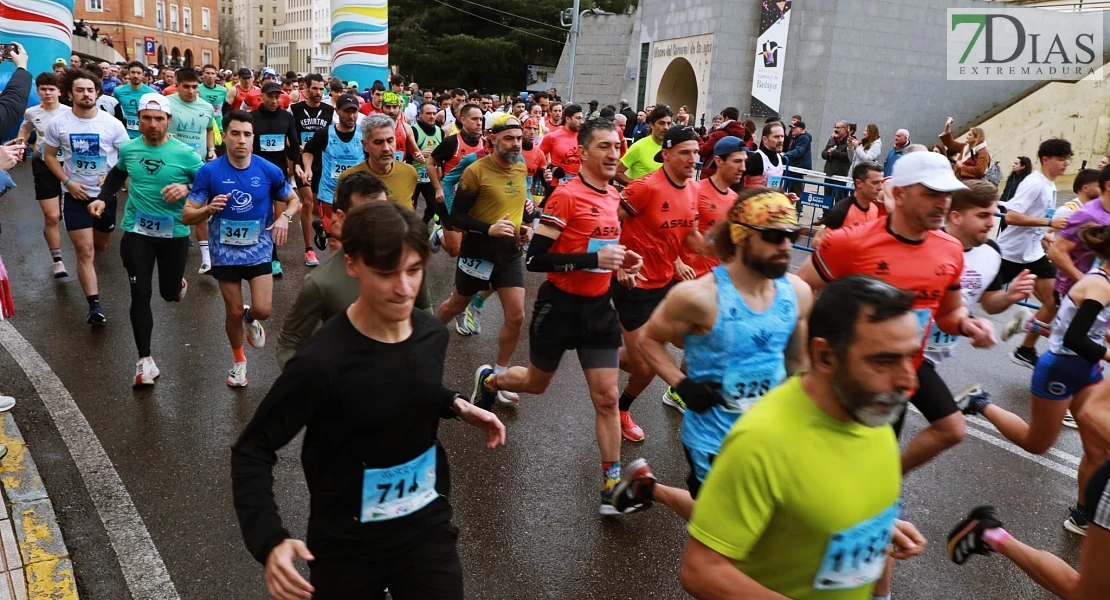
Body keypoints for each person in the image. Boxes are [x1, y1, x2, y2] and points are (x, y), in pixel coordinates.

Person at [231, 201, 506, 600]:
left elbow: (401, 382)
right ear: (352, 265)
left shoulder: (431, 334)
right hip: (347, 543)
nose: (405, 289)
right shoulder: (321, 362)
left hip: (425, 526)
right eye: (386, 274)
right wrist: (270, 540)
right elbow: (252, 450)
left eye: (413, 270)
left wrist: (453, 403)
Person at [680, 276, 927, 600]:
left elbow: (822, 500)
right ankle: (651, 488)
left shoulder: (870, 411)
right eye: (884, 360)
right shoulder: (762, 441)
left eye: (910, 357)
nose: (909, 382)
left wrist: (876, 528)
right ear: (825, 356)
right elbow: (701, 571)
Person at [470, 118, 651, 515]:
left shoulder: (613, 196)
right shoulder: (565, 197)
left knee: (607, 398)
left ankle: (611, 486)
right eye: (604, 146)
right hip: (559, 306)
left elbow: (603, 248)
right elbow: (536, 260)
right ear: (582, 152)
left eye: (617, 146)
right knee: (536, 383)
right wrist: (593, 259)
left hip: (599, 308)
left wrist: (622, 264)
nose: (614, 154)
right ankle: (492, 379)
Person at [613, 188, 813, 519]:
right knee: (722, 520)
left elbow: (798, 363)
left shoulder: (798, 293)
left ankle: (646, 488)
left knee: (754, 518)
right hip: (712, 438)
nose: (786, 246)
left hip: (767, 434)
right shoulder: (698, 297)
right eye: (775, 236)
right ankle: (648, 489)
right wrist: (682, 384)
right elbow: (649, 340)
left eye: (792, 236)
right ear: (741, 237)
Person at [798, 151, 997, 474]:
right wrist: (807, 356)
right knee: (822, 470)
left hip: (901, 378)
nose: (943, 203)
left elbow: (949, 314)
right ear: (900, 194)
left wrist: (969, 325)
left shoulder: (949, 250)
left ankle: (881, 489)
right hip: (846, 380)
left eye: (947, 194)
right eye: (931, 194)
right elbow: (799, 290)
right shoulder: (850, 243)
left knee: (872, 468)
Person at [961, 220, 1110, 537]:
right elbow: (1074, 338)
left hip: (1087, 370)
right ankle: (979, 402)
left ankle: (1083, 514)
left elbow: (1095, 330)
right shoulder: (1100, 286)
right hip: (1060, 368)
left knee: (1098, 450)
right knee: (1036, 443)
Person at [90, 93, 201, 386]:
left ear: (168, 121)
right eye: (147, 118)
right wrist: (103, 198)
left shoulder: (186, 154)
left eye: (159, 119)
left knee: (167, 293)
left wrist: (187, 188)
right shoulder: (129, 149)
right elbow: (117, 174)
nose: (153, 124)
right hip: (137, 231)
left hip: (174, 233)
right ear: (138, 120)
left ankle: (177, 284)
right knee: (140, 294)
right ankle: (144, 361)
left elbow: (208, 182)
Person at [182, 110, 298, 387]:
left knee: (264, 310)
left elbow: (294, 200)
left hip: (259, 249)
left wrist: (285, 217)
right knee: (232, 311)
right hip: (224, 252)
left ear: (253, 137)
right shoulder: (209, 172)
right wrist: (208, 209)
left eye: (247, 134)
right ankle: (239, 362)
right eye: (235, 133)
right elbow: (186, 215)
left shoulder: (268, 170)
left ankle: (251, 317)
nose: (241, 140)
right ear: (225, 136)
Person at [611, 125, 705, 442]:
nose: (693, 158)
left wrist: (725, 249)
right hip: (633, 283)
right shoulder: (645, 187)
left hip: (665, 284)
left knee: (692, 340)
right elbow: (607, 222)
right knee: (647, 364)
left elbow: (689, 237)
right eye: (685, 152)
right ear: (666, 154)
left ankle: (596, 352)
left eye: (696, 152)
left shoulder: (693, 189)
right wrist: (617, 260)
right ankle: (620, 407)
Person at [436, 114, 534, 404]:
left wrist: (524, 226)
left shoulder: (521, 166)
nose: (516, 144)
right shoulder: (475, 171)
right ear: (492, 139)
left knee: (516, 316)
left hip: (509, 254)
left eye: (519, 138)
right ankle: (423, 338)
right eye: (509, 138)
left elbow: (516, 206)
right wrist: (489, 229)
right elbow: (457, 218)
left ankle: (498, 378)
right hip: (478, 253)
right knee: (456, 304)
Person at [276, 172, 390, 369]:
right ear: (342, 218)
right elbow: (289, 342)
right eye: (366, 215)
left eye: (383, 212)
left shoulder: (407, 262)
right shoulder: (322, 282)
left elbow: (424, 313)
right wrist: (304, 382)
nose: (378, 221)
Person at [43, 69, 129, 325]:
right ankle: (94, 306)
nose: (86, 94)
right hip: (75, 196)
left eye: (90, 90)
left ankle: (94, 256)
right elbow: (49, 156)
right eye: (80, 90)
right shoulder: (58, 124)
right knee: (85, 250)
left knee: (101, 243)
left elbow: (127, 156)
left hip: (104, 196)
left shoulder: (112, 124)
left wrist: (112, 177)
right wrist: (67, 181)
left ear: (97, 92)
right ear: (70, 93)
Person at [998, 138, 1072, 368]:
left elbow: (1035, 218)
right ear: (1045, 159)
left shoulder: (1049, 185)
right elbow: (1011, 216)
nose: (1066, 163)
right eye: (1061, 159)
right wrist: (1049, 222)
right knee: (973, 294)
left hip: (1033, 254)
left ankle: (1025, 350)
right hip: (1010, 254)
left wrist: (1043, 235)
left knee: (1054, 302)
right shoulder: (1034, 183)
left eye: (1067, 159)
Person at [16, 71, 72, 279]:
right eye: (44, 89)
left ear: (59, 91)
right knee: (52, 216)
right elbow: (24, 130)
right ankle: (58, 261)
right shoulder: (32, 112)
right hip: (43, 166)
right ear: (38, 91)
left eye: (52, 89)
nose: (48, 93)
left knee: (71, 214)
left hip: (69, 166)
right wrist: (20, 143)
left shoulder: (70, 112)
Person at [248, 81, 300, 278]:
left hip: (278, 172)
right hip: (257, 172)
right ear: (262, 96)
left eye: (277, 97)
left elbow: (294, 143)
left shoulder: (286, 117)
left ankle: (273, 257)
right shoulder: (253, 117)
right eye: (270, 96)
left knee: (278, 214)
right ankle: (256, 252)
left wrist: (297, 165)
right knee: (260, 213)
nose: (274, 100)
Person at [300, 93, 364, 240]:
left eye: (354, 111)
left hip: (356, 194)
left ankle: (322, 228)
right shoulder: (324, 133)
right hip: (329, 193)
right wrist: (308, 169)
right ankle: (326, 231)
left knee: (353, 237)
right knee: (335, 239)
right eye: (347, 111)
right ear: (337, 111)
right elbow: (308, 151)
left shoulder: (364, 134)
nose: (351, 116)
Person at [426, 103, 485, 256]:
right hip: (450, 198)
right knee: (454, 250)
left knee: (470, 242)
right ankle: (439, 233)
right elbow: (430, 163)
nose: (479, 123)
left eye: (481, 119)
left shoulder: (485, 144)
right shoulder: (452, 142)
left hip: (473, 199)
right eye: (474, 119)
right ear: (463, 120)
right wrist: (438, 188)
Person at [290, 73, 335, 264]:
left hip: (321, 162)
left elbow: (335, 134)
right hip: (302, 160)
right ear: (306, 89)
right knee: (308, 202)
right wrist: (294, 147)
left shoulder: (330, 111)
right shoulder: (294, 109)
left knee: (317, 207)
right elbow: (287, 132)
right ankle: (309, 250)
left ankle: (315, 224)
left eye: (321, 88)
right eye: (314, 88)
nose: (318, 92)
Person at [815, 162, 886, 241]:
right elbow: (818, 243)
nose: (880, 187)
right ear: (859, 183)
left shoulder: (876, 207)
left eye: (881, 182)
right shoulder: (840, 211)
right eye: (875, 183)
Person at [615, 105, 671, 185]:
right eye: (661, 123)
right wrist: (637, 187)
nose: (666, 127)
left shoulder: (672, 147)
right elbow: (617, 172)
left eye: (668, 123)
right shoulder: (638, 147)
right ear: (651, 125)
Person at [411, 101, 444, 224]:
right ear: (420, 114)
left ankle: (423, 224)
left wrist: (440, 169)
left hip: (430, 176)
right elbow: (405, 153)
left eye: (434, 113)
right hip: (413, 175)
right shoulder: (413, 130)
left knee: (433, 205)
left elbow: (441, 155)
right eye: (428, 113)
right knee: (411, 206)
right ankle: (411, 228)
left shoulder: (440, 131)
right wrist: (419, 153)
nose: (432, 116)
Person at [539, 103, 586, 189]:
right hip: (556, 186)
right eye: (578, 118)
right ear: (568, 119)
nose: (581, 122)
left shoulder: (584, 137)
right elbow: (538, 157)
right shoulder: (553, 137)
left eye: (582, 118)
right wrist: (550, 168)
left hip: (578, 186)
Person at [114, 61, 157, 138]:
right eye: (133, 72)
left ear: (143, 74)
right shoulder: (118, 91)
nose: (135, 75)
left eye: (138, 73)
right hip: (125, 134)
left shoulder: (152, 93)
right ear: (128, 73)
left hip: (145, 135)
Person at [742, 121, 786, 188]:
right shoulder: (756, 159)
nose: (780, 140)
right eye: (776, 137)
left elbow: (775, 187)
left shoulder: (779, 157)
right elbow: (736, 181)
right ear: (765, 139)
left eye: (782, 136)